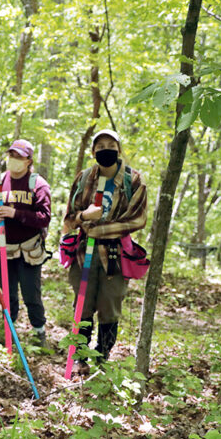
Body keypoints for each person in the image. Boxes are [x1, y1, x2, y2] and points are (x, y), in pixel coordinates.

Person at [61, 129, 147, 375]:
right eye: (100, 146)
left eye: (111, 145)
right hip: (83, 252)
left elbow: (138, 219)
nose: (105, 149)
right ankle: (79, 357)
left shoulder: (133, 180)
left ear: (119, 149)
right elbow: (70, 217)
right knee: (83, 305)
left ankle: (102, 356)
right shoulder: (84, 178)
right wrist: (84, 217)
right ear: (93, 152)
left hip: (115, 255)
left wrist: (104, 230)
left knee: (110, 305)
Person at [0, 139, 52, 348]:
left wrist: (16, 213)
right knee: (8, 294)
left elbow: (44, 217)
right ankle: (8, 334)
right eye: (11, 155)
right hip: (4, 248)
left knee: (32, 294)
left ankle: (39, 333)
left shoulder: (38, 184)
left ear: (29, 161)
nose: (14, 160)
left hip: (29, 248)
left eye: (19, 157)